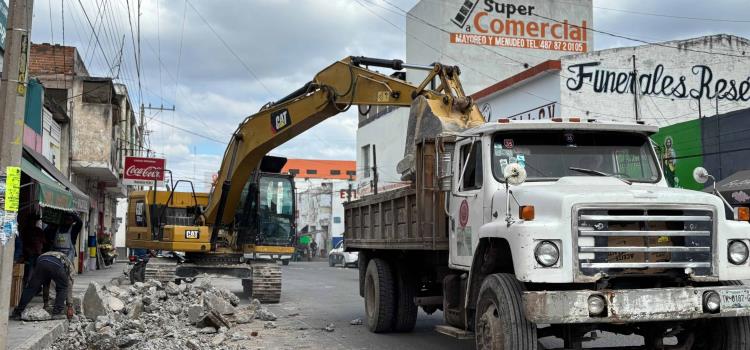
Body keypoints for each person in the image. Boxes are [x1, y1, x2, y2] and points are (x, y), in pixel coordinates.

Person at [11, 250, 75, 319]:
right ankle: (57, 313)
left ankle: (18, 312)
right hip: (55, 265)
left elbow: (46, 285)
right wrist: (70, 306)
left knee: (31, 288)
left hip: (41, 262)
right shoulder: (69, 265)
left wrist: (46, 304)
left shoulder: (50, 254)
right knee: (63, 287)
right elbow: (69, 285)